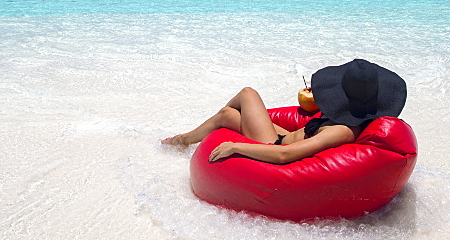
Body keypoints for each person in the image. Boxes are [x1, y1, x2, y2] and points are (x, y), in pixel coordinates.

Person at [161, 58, 406, 164]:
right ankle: (183, 141)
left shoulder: (341, 131)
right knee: (227, 115)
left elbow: (285, 156)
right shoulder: (346, 116)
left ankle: (181, 140)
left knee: (247, 93)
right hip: (282, 137)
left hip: (275, 146)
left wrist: (235, 146)